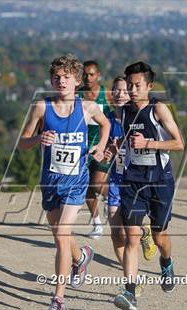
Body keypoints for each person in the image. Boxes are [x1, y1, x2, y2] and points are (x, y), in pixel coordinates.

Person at [18, 54, 110, 310]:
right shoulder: (41, 107)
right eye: (57, 77)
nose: (61, 81)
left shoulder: (87, 107)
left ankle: (58, 298)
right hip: (50, 181)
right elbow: (23, 142)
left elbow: (106, 125)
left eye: (67, 77)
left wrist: (100, 148)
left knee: (60, 234)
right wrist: (38, 140)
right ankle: (81, 257)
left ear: (77, 81)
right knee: (60, 233)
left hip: (76, 181)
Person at [113, 62, 184, 310]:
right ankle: (130, 292)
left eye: (137, 85)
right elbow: (126, 140)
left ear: (149, 86)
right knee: (132, 236)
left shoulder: (158, 109)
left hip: (160, 181)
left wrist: (149, 144)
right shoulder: (123, 112)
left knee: (159, 235)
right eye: (129, 85)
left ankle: (166, 262)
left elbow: (179, 143)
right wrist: (115, 146)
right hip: (133, 181)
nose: (132, 90)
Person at [104, 76, 157, 297]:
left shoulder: (136, 117)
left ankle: (130, 285)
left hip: (134, 181)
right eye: (116, 91)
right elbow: (107, 147)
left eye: (124, 91)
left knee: (129, 234)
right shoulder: (106, 117)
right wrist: (106, 152)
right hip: (115, 180)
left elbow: (143, 149)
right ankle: (132, 277)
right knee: (116, 235)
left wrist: (122, 150)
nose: (119, 95)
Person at [78, 60, 113, 239]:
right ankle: (97, 224)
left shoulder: (106, 94)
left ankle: (113, 198)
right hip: (82, 147)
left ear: (98, 75)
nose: (88, 77)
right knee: (86, 187)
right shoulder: (77, 95)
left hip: (102, 145)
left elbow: (117, 114)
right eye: (85, 74)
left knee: (97, 182)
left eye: (91, 74)